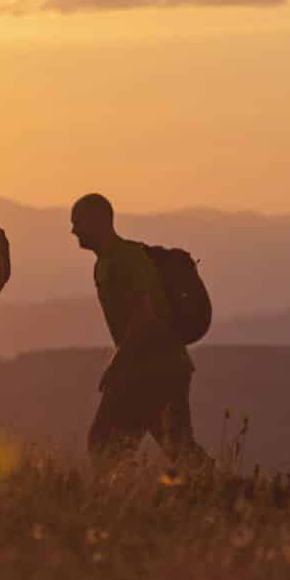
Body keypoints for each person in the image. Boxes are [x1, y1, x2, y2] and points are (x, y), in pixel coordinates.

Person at [70, 192, 206, 474]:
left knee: (104, 443)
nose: (73, 231)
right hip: (162, 367)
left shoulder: (128, 258)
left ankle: (124, 502)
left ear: (98, 222)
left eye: (78, 223)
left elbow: (146, 315)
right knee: (179, 447)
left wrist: (117, 365)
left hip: (153, 368)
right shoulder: (103, 265)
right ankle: (220, 494)